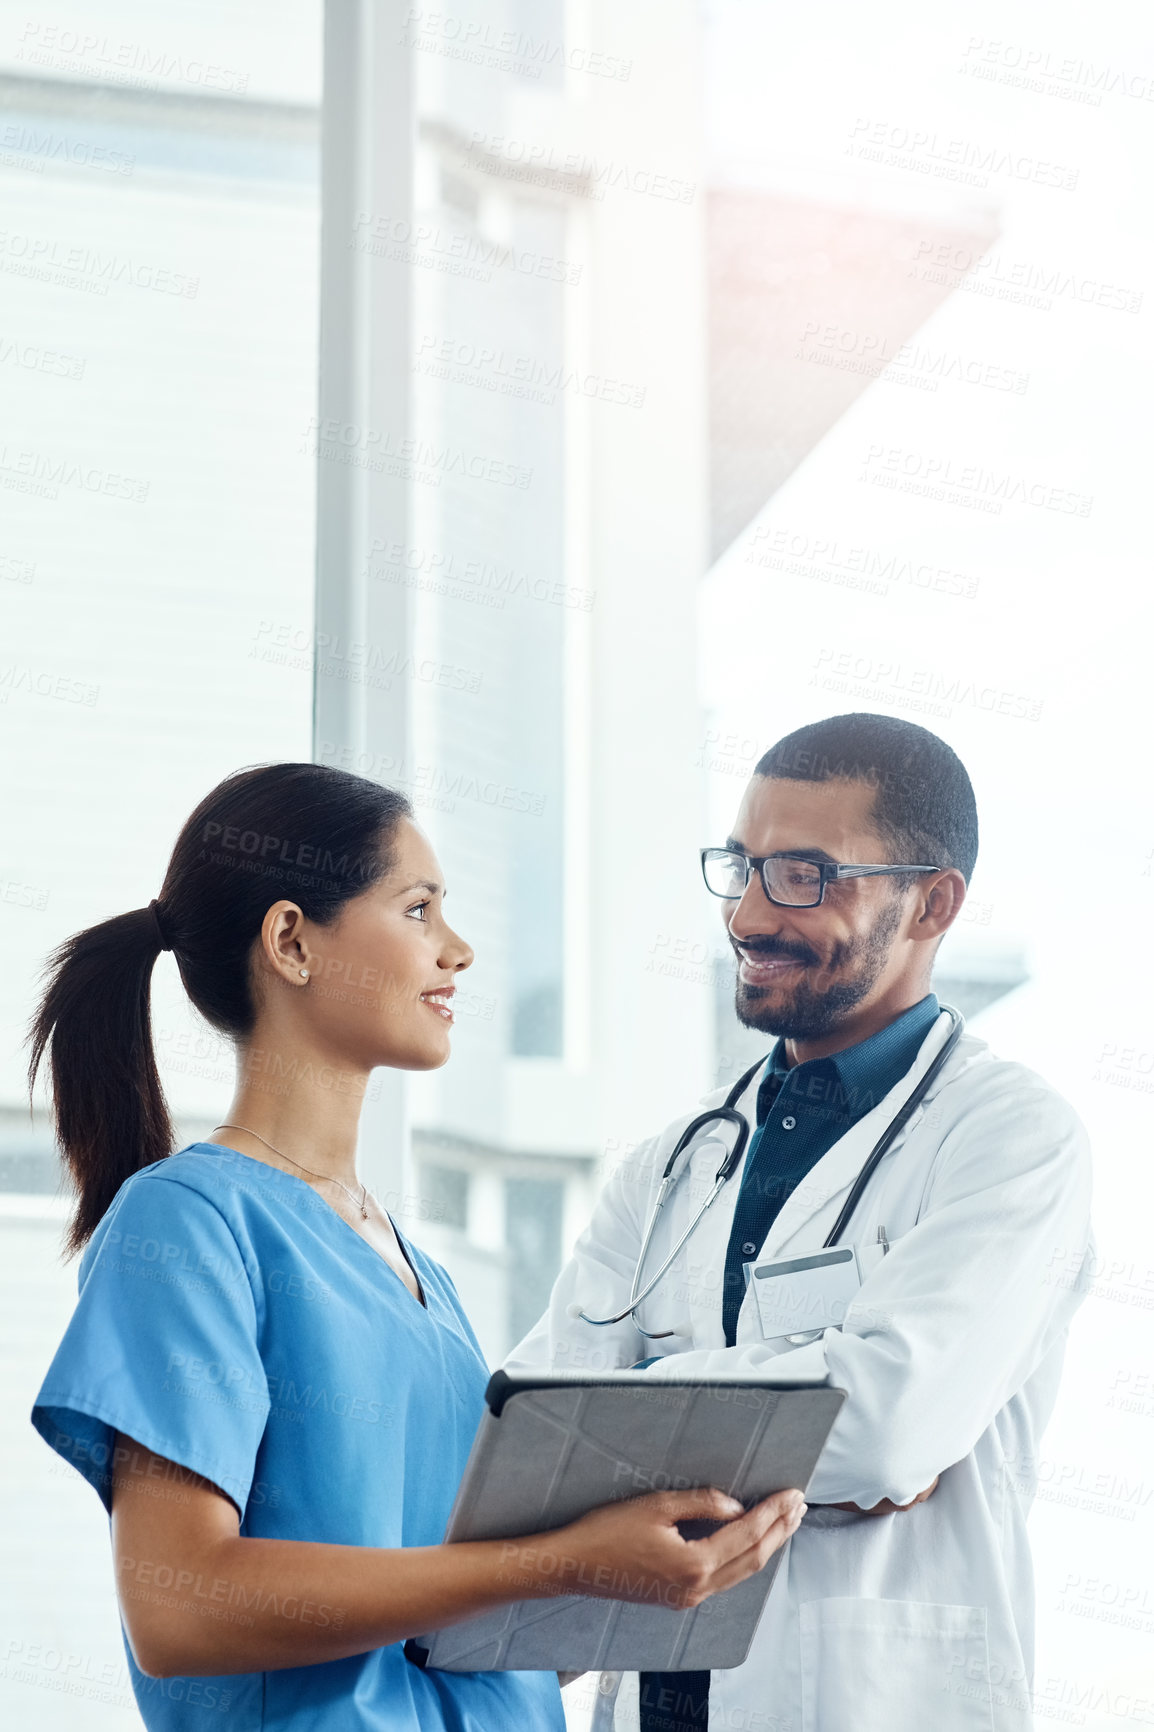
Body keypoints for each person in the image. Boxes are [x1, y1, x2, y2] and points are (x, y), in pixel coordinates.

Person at [28, 762, 805, 1732]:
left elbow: (439, 1613)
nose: (459, 950)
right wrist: (562, 1560)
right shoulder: (189, 1222)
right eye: (417, 909)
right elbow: (180, 1605)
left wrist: (638, 1569)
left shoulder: (417, 1271)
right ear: (291, 941)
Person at [508, 713, 1093, 1732]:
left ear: (931, 902)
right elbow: (526, 1447)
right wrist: (786, 1416)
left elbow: (879, 1424)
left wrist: (625, 1407)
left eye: (803, 874)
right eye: (740, 867)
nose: (744, 914)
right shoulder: (667, 1165)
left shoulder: (1007, 1138)